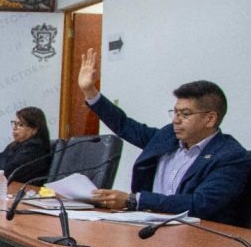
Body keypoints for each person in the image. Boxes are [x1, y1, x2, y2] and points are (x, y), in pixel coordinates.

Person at [78, 48, 251, 224]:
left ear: (210, 119)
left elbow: (200, 204)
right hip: (149, 224)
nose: (176, 120)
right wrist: (90, 91)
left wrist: (136, 200)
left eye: (185, 114)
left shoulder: (231, 156)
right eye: (175, 112)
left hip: (197, 233)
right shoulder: (169, 136)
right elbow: (124, 125)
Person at [0, 107, 52, 183]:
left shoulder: (35, 148)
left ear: (34, 130)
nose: (14, 128)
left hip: (26, 189)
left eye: (21, 124)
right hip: (10, 188)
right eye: (15, 123)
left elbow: (8, 173)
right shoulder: (14, 146)